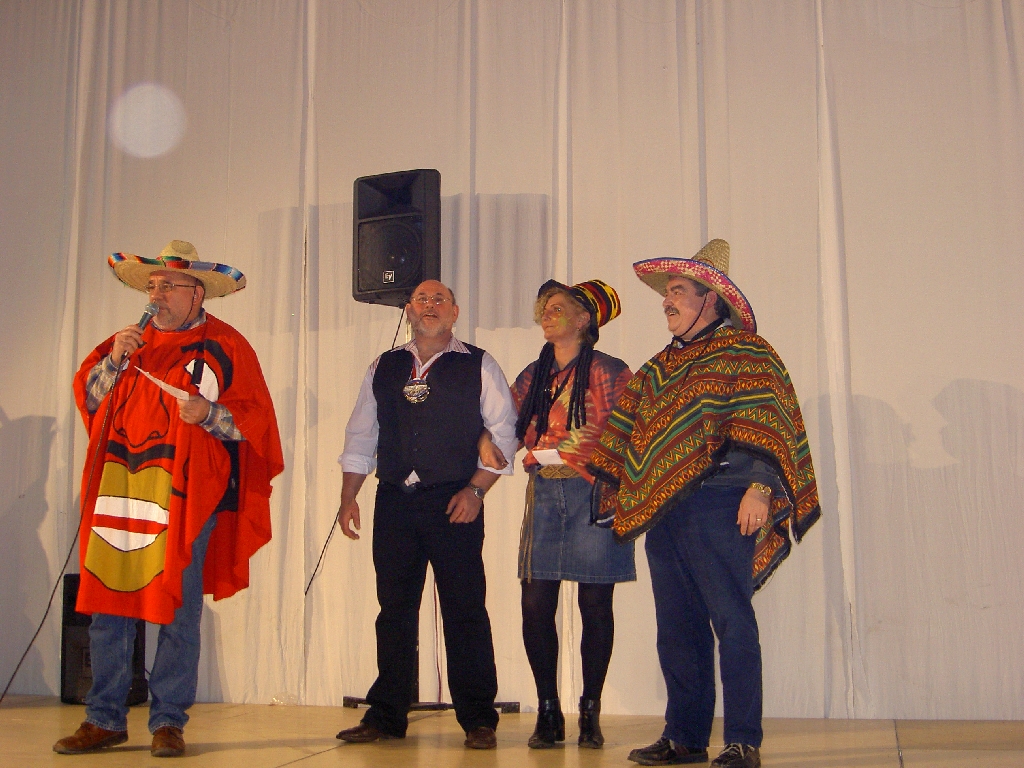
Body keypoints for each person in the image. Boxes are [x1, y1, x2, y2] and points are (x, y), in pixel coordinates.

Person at [587, 240, 820, 768]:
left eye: (677, 292)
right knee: (677, 628)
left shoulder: (748, 352)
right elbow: (630, 428)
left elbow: (768, 418)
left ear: (709, 298)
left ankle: (742, 740)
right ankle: (685, 737)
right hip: (665, 510)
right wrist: (619, 484)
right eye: (667, 293)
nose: (666, 301)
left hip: (723, 501)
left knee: (732, 621)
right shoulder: (658, 368)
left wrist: (761, 487)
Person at [53, 240, 284, 758]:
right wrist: (113, 360)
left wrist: (210, 414)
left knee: (178, 609)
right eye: (151, 286)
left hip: (186, 496)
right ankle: (104, 718)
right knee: (109, 604)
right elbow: (89, 398)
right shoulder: (124, 343)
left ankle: (168, 721)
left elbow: (255, 423)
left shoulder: (227, 346)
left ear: (196, 292)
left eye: (167, 286)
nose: (155, 295)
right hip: (121, 489)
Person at [334, 279, 518, 750]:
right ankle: (386, 714)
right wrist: (348, 497)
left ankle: (477, 717)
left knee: (465, 608)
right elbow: (361, 435)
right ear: (409, 311)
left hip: (454, 500)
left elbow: (504, 432)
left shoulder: (479, 364)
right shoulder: (383, 366)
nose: (430, 306)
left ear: (454, 312)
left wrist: (476, 491)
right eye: (421, 299)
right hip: (395, 499)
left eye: (440, 300)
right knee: (394, 609)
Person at [505, 279, 634, 749]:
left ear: (583, 320)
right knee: (535, 604)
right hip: (544, 491)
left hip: (595, 492)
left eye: (558, 307)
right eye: (545, 307)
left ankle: (590, 711)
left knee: (595, 604)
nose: (548, 313)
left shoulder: (610, 370)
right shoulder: (532, 374)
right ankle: (548, 710)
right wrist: (486, 444)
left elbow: (624, 430)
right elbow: (506, 422)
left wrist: (572, 447)